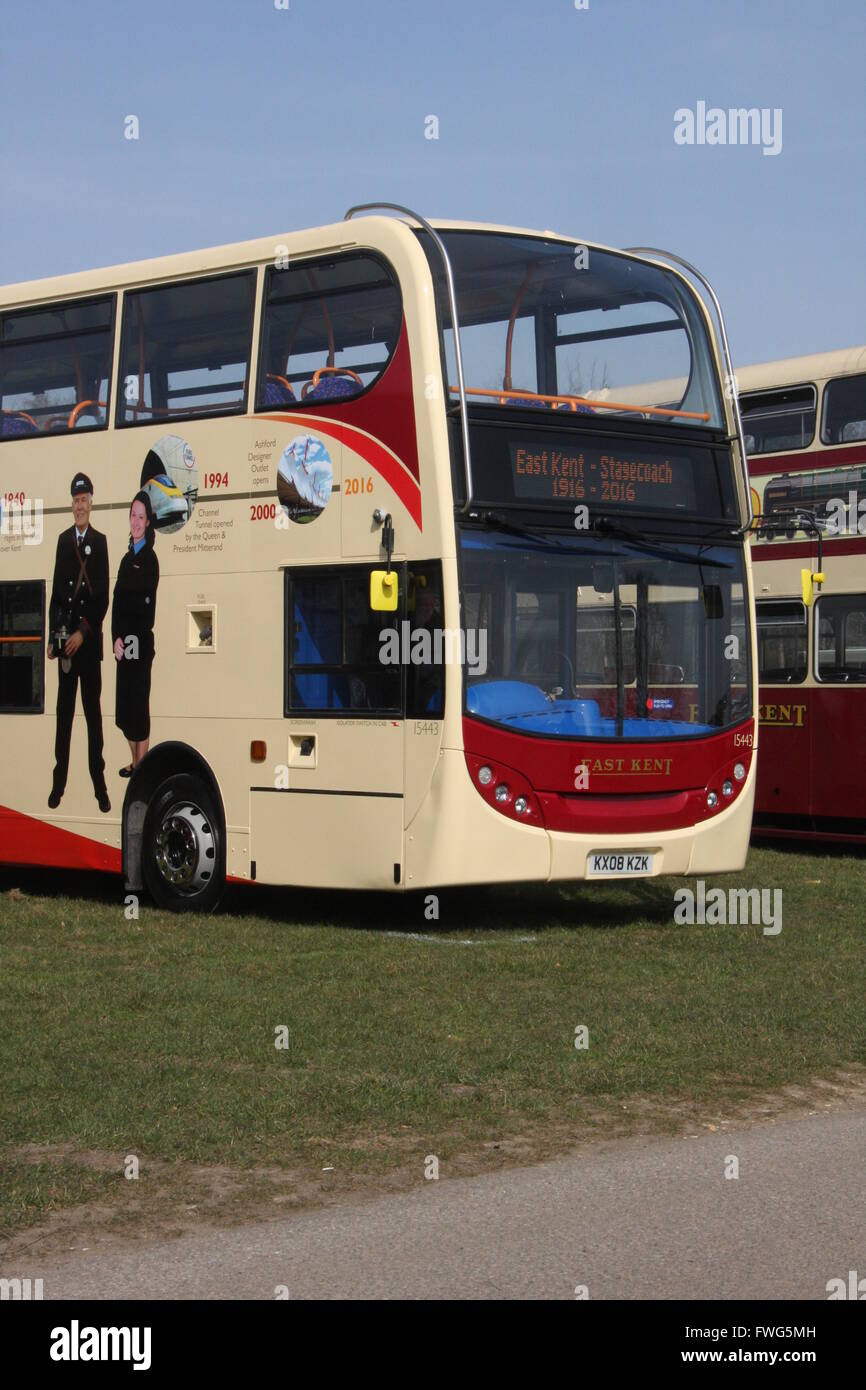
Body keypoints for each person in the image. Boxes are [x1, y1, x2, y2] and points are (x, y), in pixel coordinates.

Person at [47, 474, 110, 812]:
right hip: (66, 649)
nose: (80, 506)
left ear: (91, 503)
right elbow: (58, 596)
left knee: (93, 717)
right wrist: (55, 637)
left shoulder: (99, 542)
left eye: (84, 500)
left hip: (86, 645)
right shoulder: (61, 541)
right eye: (76, 501)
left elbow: (101, 599)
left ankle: (99, 785)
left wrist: (81, 633)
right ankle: (59, 784)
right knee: (64, 716)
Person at [112, 491, 159, 775]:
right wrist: (116, 638)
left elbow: (144, 606)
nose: (136, 522)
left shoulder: (150, 559)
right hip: (126, 641)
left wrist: (128, 635)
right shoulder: (125, 559)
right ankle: (136, 760)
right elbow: (118, 603)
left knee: (138, 705)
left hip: (140, 640)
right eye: (133, 516)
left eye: (141, 517)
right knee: (124, 708)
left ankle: (142, 766)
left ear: (148, 522)